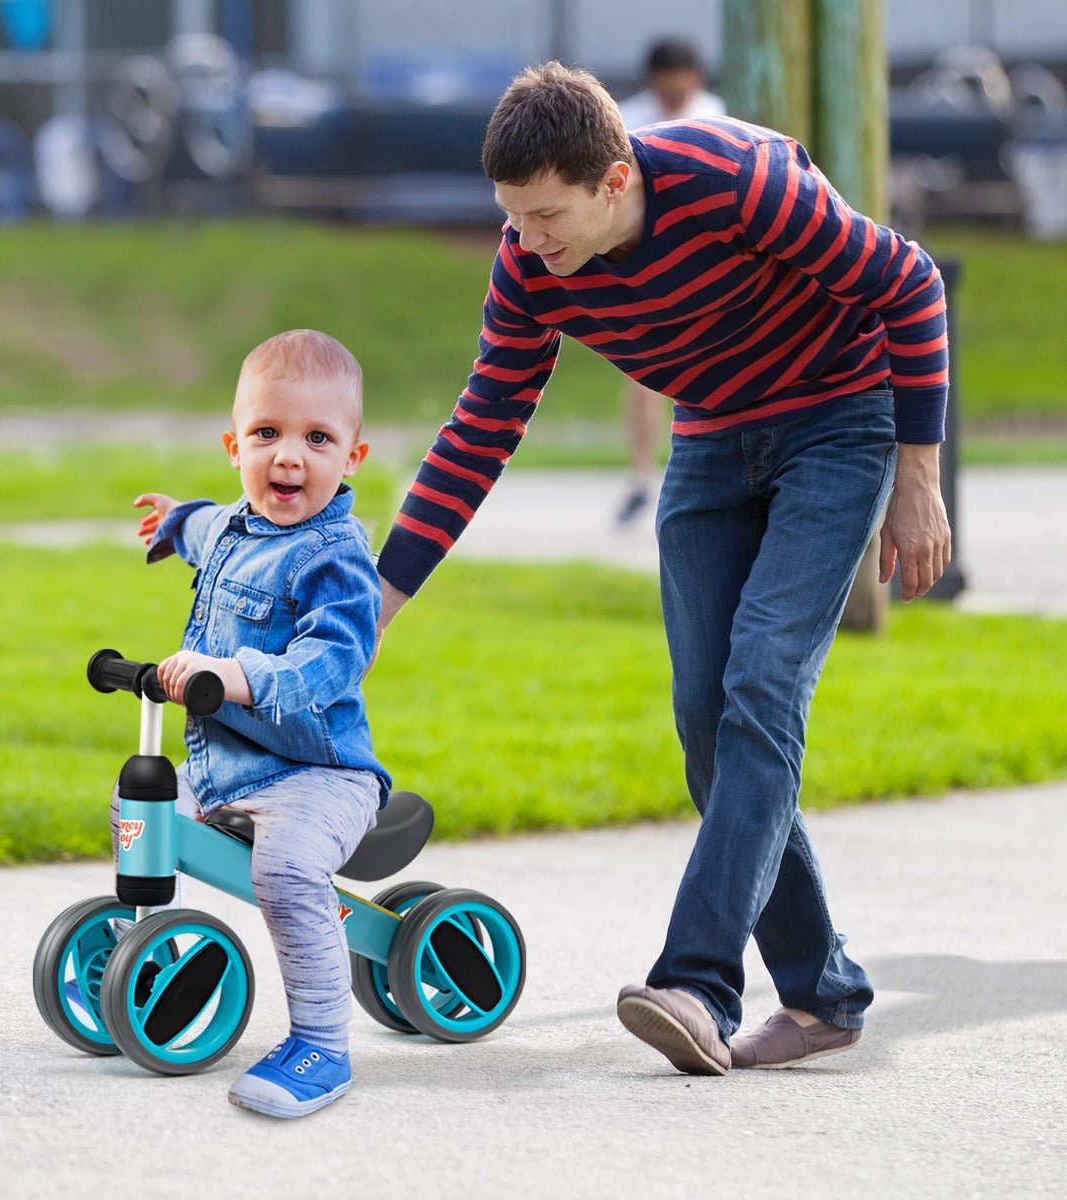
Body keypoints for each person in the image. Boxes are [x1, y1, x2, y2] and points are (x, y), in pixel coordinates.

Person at [371, 63, 951, 1075]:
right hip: (713, 442)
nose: (529, 241)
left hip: (837, 423)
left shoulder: (738, 183)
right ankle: (823, 995)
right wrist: (378, 599)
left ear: (613, 180)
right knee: (704, 718)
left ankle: (698, 981)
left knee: (762, 684)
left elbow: (908, 279)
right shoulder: (528, 268)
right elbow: (480, 431)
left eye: (546, 216)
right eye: (514, 217)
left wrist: (918, 476)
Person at [129, 328, 391, 1116]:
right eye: (267, 434)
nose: (288, 457)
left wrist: (234, 676)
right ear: (233, 444)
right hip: (229, 774)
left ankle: (320, 1042)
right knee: (136, 811)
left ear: (353, 458)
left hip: (321, 778)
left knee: (283, 873)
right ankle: (144, 960)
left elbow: (333, 664)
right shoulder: (235, 525)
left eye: (317, 439)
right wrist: (177, 522)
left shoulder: (335, 558)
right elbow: (210, 526)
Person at [616, 38, 725, 524]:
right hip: (641, 267)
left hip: (701, 261)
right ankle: (642, 476)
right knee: (644, 378)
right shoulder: (626, 119)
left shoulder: (714, 115)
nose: (676, 89)